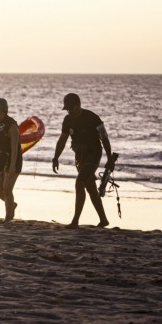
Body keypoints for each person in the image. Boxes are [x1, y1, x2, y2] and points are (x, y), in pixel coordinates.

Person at [52, 93, 116, 228]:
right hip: (79, 157)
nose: (69, 111)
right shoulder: (67, 119)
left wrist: (110, 158)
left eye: (71, 108)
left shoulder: (92, 117)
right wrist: (56, 157)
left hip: (93, 155)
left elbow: (104, 138)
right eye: (67, 108)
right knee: (90, 188)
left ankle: (75, 221)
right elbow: (62, 139)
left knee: (80, 182)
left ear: (78, 105)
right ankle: (103, 220)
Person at [0, 98, 22, 221]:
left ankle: (8, 217)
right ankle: (12, 205)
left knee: (7, 189)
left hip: (13, 158)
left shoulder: (11, 125)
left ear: (5, 112)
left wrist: (12, 166)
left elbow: (14, 148)